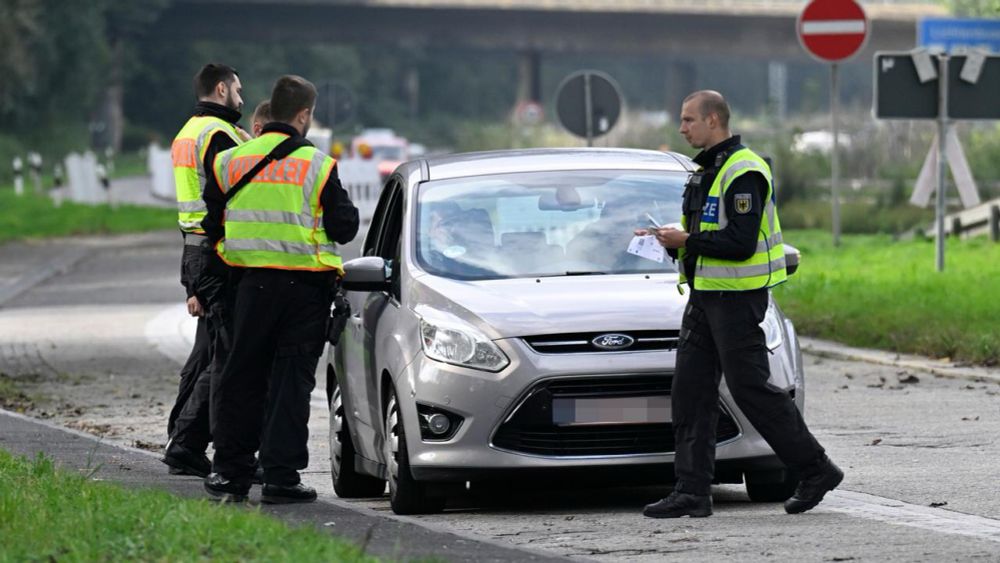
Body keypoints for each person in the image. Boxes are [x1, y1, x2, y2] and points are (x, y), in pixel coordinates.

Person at [639, 90, 842, 518]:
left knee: (750, 390)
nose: (682, 128)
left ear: (714, 120)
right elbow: (711, 233)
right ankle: (692, 491)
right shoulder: (706, 169)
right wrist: (672, 242)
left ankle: (816, 468)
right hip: (705, 298)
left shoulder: (744, 170)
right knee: (690, 392)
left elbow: (739, 243)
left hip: (735, 302)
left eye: (689, 120)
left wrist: (688, 239)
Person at [203, 75, 359, 503]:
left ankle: (231, 474)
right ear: (304, 115)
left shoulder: (229, 161)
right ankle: (280, 478)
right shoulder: (318, 165)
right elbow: (344, 227)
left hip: (247, 287)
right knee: (291, 383)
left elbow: (211, 223)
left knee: (241, 377)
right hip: (305, 292)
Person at [164, 63, 249, 477]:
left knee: (206, 353)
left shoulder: (186, 131)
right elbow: (229, 191)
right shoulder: (218, 134)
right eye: (237, 89)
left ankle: (181, 440)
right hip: (216, 247)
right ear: (221, 88)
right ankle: (186, 441)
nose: (241, 98)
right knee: (225, 353)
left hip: (193, 246)